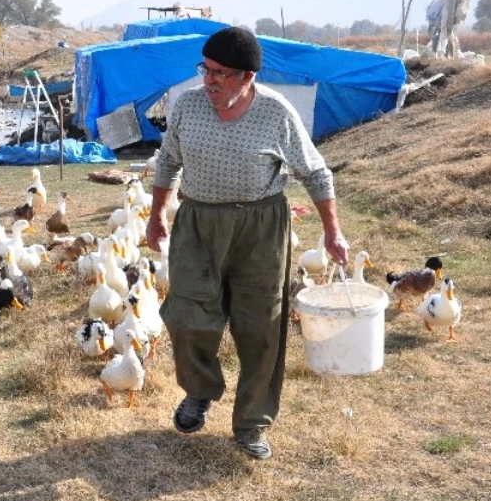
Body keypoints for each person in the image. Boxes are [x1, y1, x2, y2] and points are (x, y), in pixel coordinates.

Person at [146, 26, 349, 460]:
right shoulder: (188, 107)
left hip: (261, 229)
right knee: (186, 313)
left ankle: (252, 423)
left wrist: (332, 231)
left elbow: (316, 173)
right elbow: (167, 162)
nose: (210, 80)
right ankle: (199, 392)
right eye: (206, 69)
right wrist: (156, 216)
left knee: (260, 325)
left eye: (221, 73)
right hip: (198, 222)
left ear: (247, 77)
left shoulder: (277, 114)